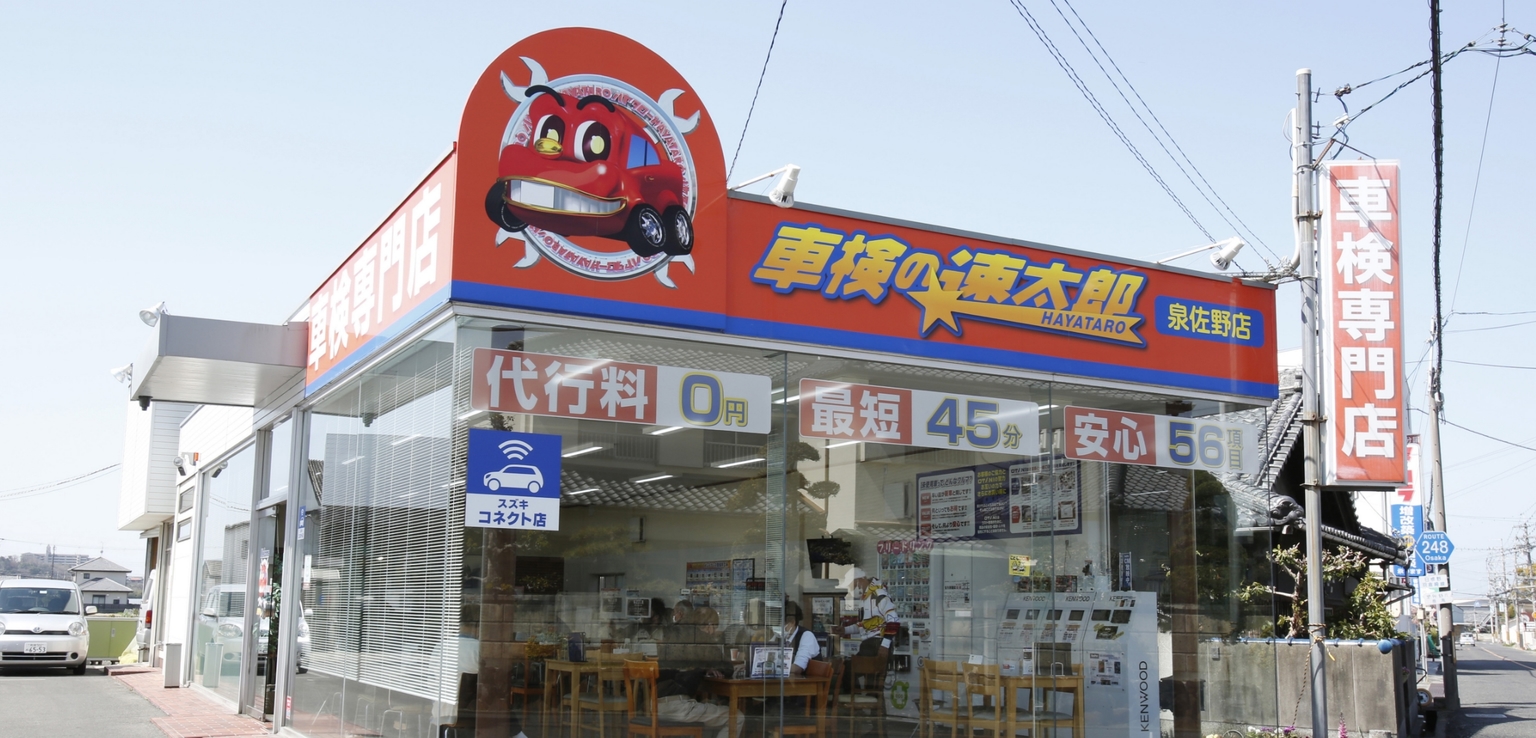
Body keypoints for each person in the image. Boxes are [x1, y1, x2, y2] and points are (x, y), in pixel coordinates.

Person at [655, 605, 741, 738]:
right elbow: (727, 668)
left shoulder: (674, 634)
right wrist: (707, 667)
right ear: (709, 626)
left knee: (706, 709)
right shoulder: (702, 639)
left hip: (655, 705)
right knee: (737, 717)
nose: (714, 631)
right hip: (679, 707)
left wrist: (702, 668)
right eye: (715, 627)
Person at [839, 567, 899, 657]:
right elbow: (865, 625)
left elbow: (893, 619)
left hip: (878, 643)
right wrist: (845, 630)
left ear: (860, 580)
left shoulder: (878, 594)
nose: (851, 590)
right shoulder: (865, 598)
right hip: (869, 644)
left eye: (852, 586)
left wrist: (885, 645)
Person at [775, 602, 821, 676]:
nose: (778, 626)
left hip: (808, 682)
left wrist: (773, 669)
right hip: (788, 680)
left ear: (792, 623)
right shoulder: (779, 637)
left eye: (780, 623)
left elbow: (797, 668)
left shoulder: (807, 636)